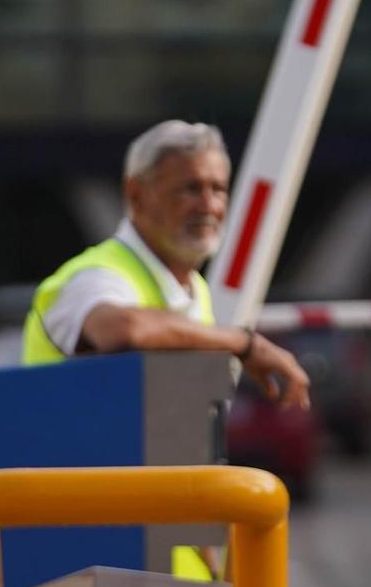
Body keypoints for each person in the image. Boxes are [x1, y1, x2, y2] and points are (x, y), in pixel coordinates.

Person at [22, 119, 309, 408]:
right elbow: (123, 329)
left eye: (218, 189)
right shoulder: (94, 275)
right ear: (136, 194)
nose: (209, 205)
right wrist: (245, 344)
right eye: (191, 188)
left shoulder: (196, 289)